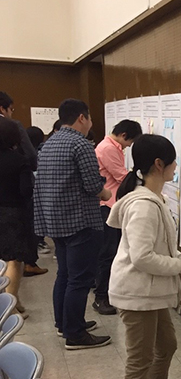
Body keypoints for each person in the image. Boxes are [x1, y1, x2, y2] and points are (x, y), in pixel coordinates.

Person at [108, 134, 181, 379]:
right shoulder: (144, 206)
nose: (176, 167)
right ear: (159, 164)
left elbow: (162, 246)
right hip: (136, 294)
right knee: (140, 359)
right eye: (173, 162)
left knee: (167, 344)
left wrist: (180, 259)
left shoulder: (155, 199)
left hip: (150, 293)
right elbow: (142, 257)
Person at [34, 99, 112, 350]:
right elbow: (93, 185)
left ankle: (65, 324)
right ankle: (75, 334)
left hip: (56, 221)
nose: (90, 123)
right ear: (81, 117)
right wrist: (106, 194)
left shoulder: (49, 143)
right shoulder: (81, 144)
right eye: (90, 118)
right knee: (79, 279)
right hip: (81, 222)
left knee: (65, 275)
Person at [93, 119, 142, 315]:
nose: (129, 146)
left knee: (110, 252)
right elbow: (121, 176)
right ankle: (101, 297)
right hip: (107, 206)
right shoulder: (108, 148)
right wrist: (145, 182)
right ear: (123, 135)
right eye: (130, 142)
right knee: (108, 253)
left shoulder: (112, 147)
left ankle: (104, 292)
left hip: (112, 205)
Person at [0, 119, 36, 317]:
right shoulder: (19, 160)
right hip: (13, 213)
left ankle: (14, 300)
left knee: (2, 260)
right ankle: (10, 307)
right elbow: (26, 190)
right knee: (15, 260)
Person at [22, 127, 50, 276]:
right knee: (31, 227)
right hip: (29, 197)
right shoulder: (31, 158)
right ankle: (30, 263)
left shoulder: (20, 154)